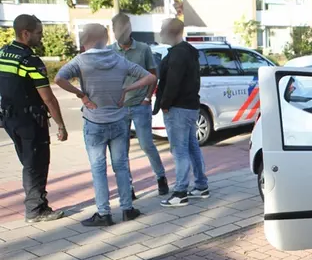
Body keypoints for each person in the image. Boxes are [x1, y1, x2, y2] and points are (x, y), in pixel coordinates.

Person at [55, 24, 156, 226]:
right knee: (121, 165)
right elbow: (150, 77)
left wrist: (81, 95)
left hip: (94, 122)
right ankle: (127, 209)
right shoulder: (118, 59)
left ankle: (104, 213)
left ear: (85, 42)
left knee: (98, 168)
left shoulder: (81, 60)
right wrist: (127, 89)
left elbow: (59, 79)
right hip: (119, 120)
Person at [0, 15, 67, 223]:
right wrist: (61, 124)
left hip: (10, 119)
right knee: (35, 163)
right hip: (31, 120)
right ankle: (36, 210)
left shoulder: (3, 53)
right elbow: (48, 97)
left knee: (27, 161)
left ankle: (36, 205)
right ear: (25, 33)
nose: (42, 37)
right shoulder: (30, 60)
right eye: (39, 33)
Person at [109, 13, 169, 199]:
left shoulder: (143, 49)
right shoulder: (109, 51)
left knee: (146, 144)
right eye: (117, 29)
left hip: (139, 105)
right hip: (119, 108)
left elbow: (153, 75)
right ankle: (128, 187)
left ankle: (161, 178)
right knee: (121, 149)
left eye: (124, 28)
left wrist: (147, 98)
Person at [154, 18, 209, 207]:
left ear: (171, 31)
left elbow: (173, 83)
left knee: (180, 151)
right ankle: (201, 185)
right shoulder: (189, 52)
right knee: (192, 147)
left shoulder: (178, 54)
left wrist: (165, 103)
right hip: (191, 106)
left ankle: (180, 192)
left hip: (178, 108)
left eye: (162, 28)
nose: (160, 32)